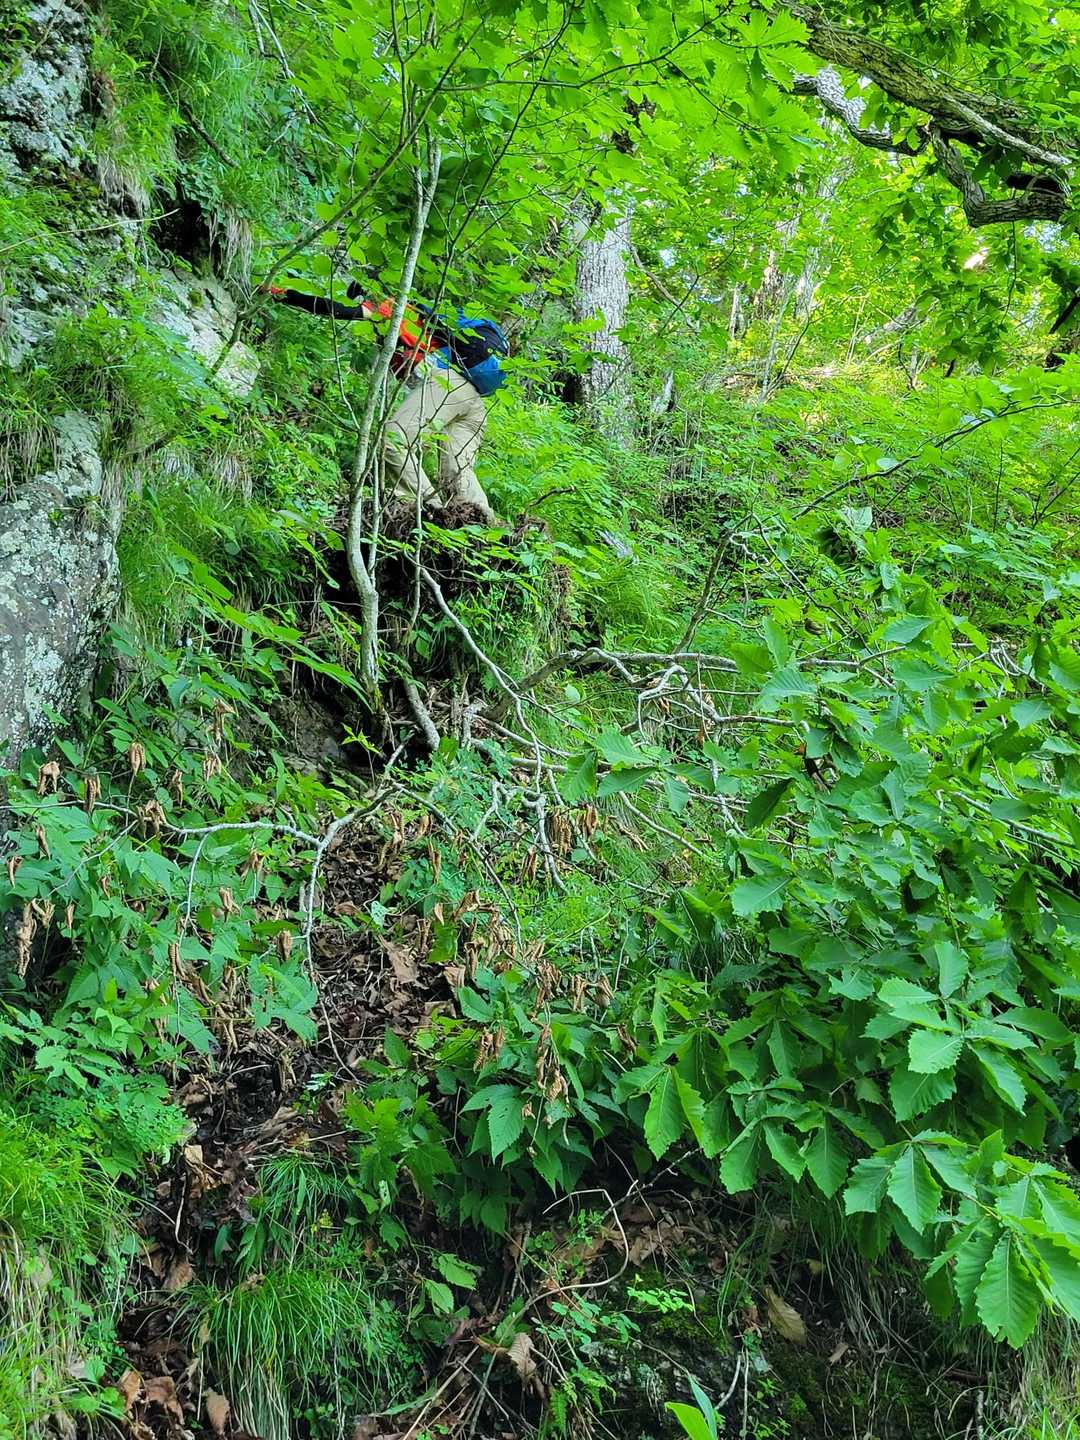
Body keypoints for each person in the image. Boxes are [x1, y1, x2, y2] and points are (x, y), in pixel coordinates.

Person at [263, 282, 504, 525]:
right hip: (474, 402)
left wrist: (287, 295)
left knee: (393, 441)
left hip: (448, 384)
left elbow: (335, 309)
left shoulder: (394, 311)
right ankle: (484, 530)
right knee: (456, 471)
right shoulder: (424, 317)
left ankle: (435, 515)